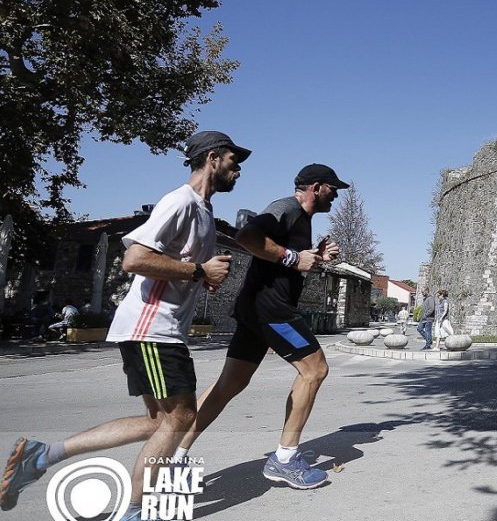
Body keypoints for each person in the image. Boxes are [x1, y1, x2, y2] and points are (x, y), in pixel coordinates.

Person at [0, 130, 250, 520]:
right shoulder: (180, 201)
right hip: (153, 329)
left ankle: (41, 455)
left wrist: (202, 277)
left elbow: (174, 268)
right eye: (235, 161)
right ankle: (134, 512)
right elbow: (133, 260)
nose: (239, 170)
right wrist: (199, 269)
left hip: (157, 328)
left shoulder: (203, 212)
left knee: (159, 422)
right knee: (181, 417)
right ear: (213, 157)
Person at [174, 163, 347, 490]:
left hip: (257, 308)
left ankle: (175, 454)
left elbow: (280, 261)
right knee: (315, 370)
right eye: (332, 188)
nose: (336, 195)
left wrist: (312, 257)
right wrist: (294, 258)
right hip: (271, 310)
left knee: (229, 385)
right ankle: (284, 459)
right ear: (315, 187)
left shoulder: (302, 219)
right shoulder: (286, 208)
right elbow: (247, 236)